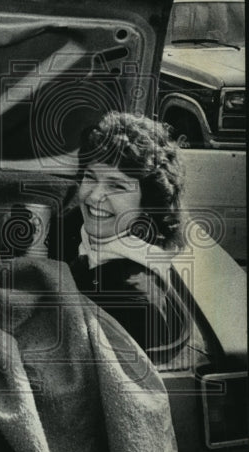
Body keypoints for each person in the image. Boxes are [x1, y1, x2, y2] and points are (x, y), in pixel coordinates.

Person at [66, 111, 189, 357]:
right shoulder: (86, 230)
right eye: (91, 177)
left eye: (117, 186)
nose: (94, 196)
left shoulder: (131, 296)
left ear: (148, 202)